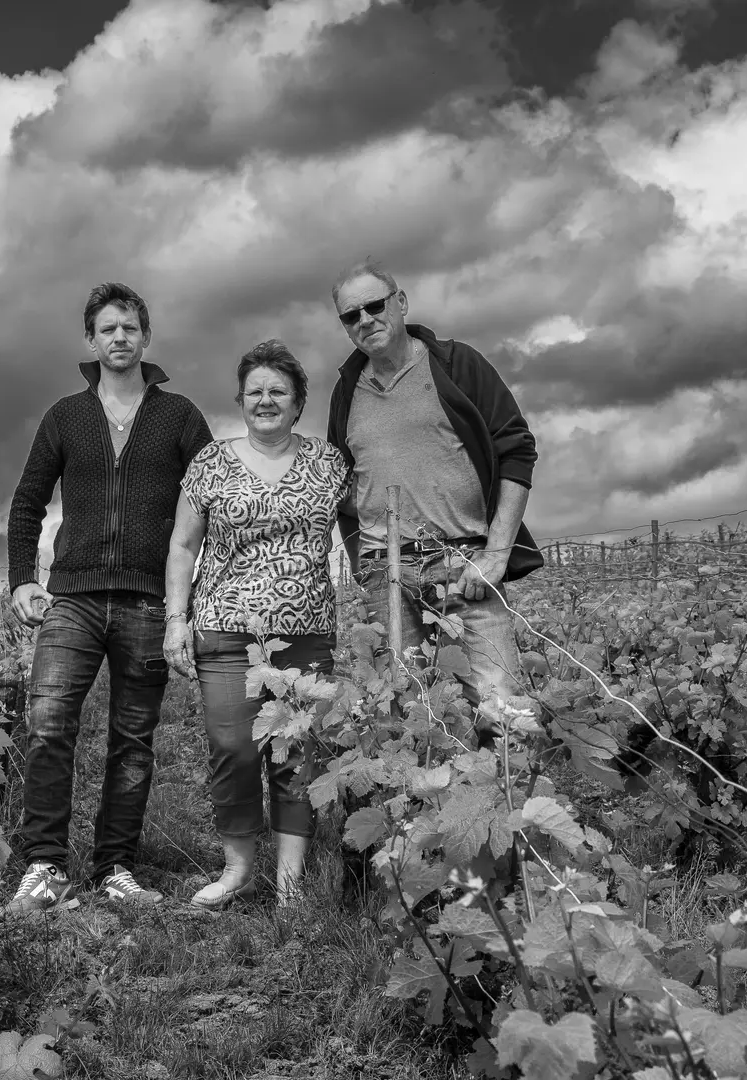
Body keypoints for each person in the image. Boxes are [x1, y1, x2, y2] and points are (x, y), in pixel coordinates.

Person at [0, 282, 213, 914]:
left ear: (146, 338)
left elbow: (211, 502)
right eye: (107, 329)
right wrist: (21, 578)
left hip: (148, 601)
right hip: (74, 599)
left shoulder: (179, 416)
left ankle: (116, 865)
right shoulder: (66, 416)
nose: (119, 338)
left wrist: (192, 596)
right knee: (48, 727)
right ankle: (43, 865)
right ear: (90, 341)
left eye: (129, 328)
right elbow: (26, 501)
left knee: (133, 738)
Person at [164, 340, 351, 909]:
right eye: (255, 392)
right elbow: (182, 544)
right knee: (233, 748)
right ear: (240, 401)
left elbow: (360, 535)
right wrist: (177, 620)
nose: (265, 400)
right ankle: (238, 869)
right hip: (224, 629)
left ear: (298, 403)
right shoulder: (211, 462)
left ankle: (291, 882)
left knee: (297, 750)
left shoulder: (329, 463)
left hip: (307, 633)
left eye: (279, 391)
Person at [324, 259, 542, 732]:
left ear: (400, 303)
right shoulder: (346, 391)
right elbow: (343, 486)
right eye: (350, 315)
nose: (365, 320)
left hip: (464, 563)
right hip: (387, 571)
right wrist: (361, 560)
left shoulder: (456, 364)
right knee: (411, 716)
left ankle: (508, 804)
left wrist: (498, 552)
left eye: (374, 305)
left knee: (502, 709)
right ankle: (437, 807)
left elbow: (515, 450)